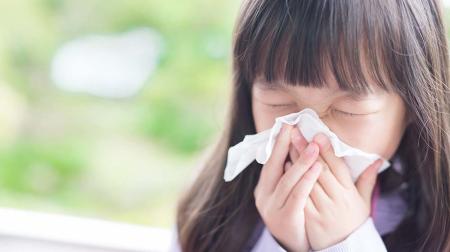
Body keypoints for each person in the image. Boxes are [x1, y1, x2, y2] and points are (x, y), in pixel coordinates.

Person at [169, 0, 450, 251]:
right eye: (278, 102)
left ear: (416, 105)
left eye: (346, 109)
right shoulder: (210, 213)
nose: (310, 137)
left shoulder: (442, 224)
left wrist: (348, 242)